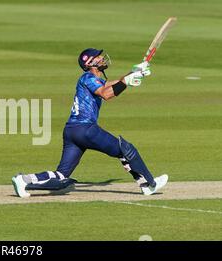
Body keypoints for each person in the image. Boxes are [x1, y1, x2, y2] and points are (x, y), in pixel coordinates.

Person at [12, 48, 168, 198]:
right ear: (89, 64)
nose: (101, 58)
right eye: (97, 57)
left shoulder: (95, 80)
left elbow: (111, 84)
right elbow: (106, 94)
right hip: (86, 129)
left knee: (61, 174)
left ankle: (24, 180)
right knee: (125, 149)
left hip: (72, 131)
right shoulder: (88, 78)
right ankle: (149, 184)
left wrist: (135, 72)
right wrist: (126, 82)